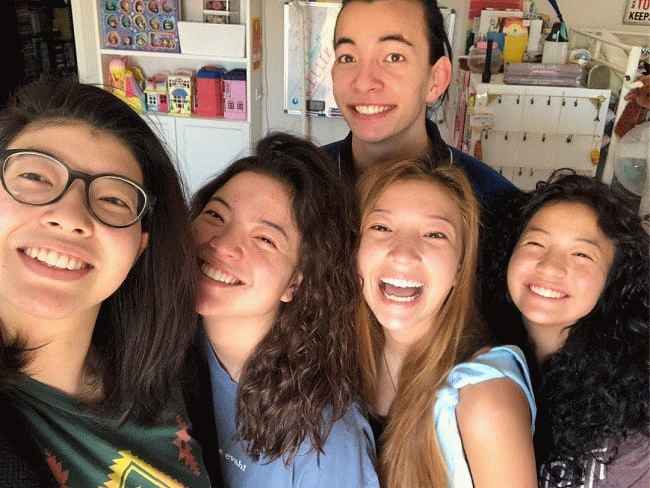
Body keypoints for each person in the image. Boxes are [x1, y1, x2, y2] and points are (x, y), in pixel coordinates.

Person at [0, 79, 212, 487]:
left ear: (140, 245)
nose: (70, 216)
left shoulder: (170, 374)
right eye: (35, 177)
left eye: (113, 199)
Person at [188, 133, 379, 488]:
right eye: (215, 215)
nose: (223, 245)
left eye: (265, 239)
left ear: (296, 281)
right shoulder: (154, 348)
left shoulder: (325, 440)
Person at [355, 157, 537, 487]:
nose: (403, 254)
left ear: (459, 269)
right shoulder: (335, 367)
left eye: (435, 234)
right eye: (381, 228)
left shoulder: (486, 398)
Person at [488, 172, 649, 487]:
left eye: (581, 255)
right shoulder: (476, 364)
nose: (550, 266)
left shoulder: (637, 410)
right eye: (535, 243)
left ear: (614, 278)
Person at [326, 0, 515, 206]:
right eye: (347, 58)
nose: (363, 83)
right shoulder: (304, 182)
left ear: (436, 79)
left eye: (394, 57)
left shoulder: (497, 205)